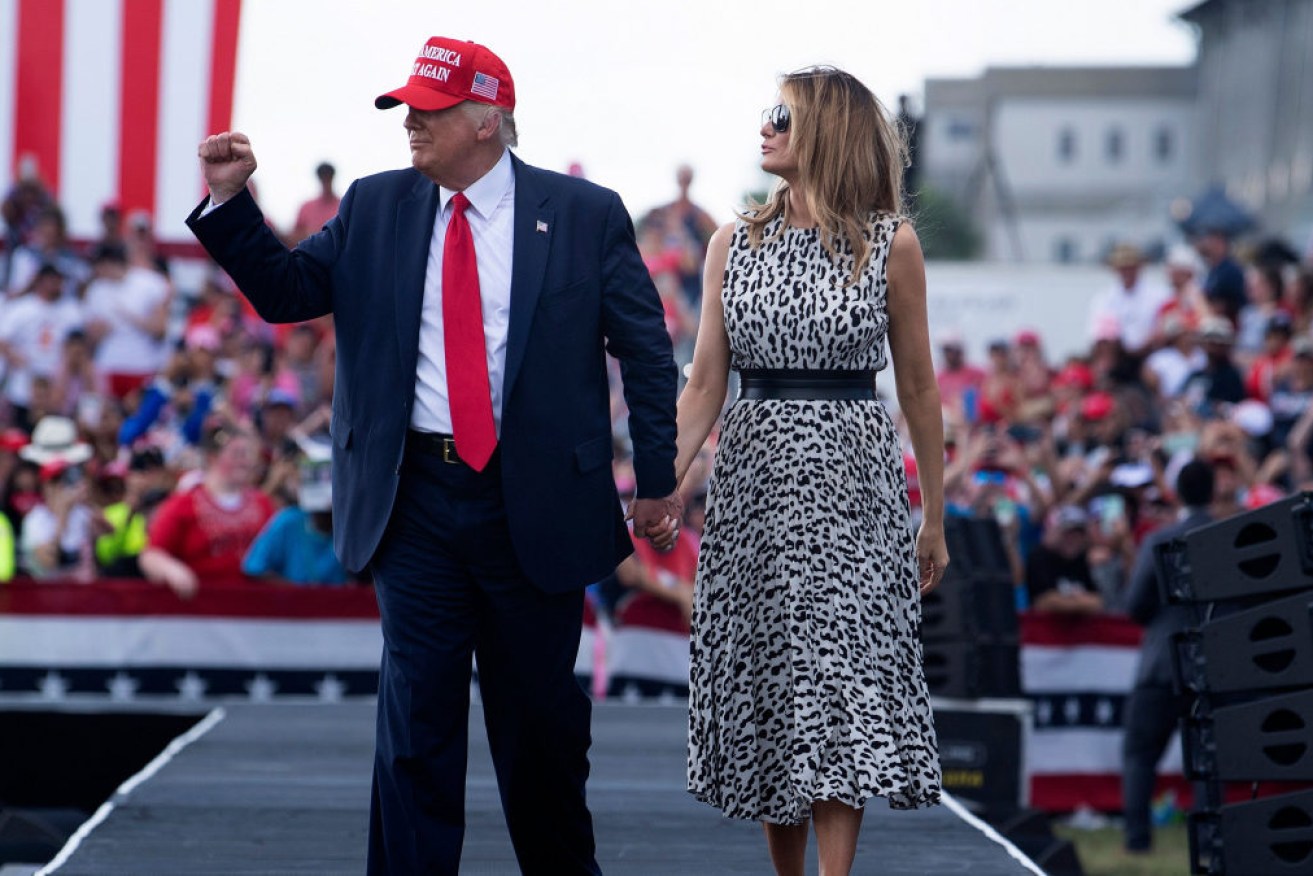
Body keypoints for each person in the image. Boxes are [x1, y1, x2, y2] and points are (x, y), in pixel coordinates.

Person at [186, 36, 679, 875]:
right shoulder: (376, 205)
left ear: (488, 121)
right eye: (406, 107)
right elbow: (287, 294)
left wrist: (657, 480)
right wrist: (233, 202)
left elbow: (645, 349)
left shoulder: (585, 213)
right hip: (414, 502)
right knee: (415, 729)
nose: (410, 121)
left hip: (539, 507)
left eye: (431, 108)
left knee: (543, 740)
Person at [674, 67, 946, 875]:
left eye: (781, 117)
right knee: (767, 680)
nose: (765, 129)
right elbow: (701, 385)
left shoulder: (891, 240)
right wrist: (663, 480)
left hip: (852, 482)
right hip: (753, 477)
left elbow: (921, 385)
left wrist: (932, 514)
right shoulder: (732, 242)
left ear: (824, 132)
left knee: (839, 681)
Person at [1121, 459, 1214, 854]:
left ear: (1176, 492)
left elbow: (1135, 604)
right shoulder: (1224, 536)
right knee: (1209, 760)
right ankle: (1214, 840)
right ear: (1212, 491)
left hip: (1160, 663)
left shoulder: (1159, 540)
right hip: (1213, 664)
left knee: (1140, 756)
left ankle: (1138, 841)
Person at [138, 423, 274, 598]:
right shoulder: (183, 504)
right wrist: (172, 570)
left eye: (248, 455)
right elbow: (152, 555)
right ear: (212, 457)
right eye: (237, 454)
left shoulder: (263, 503)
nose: (244, 461)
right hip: (202, 610)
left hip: (254, 609)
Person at [289, 161, 341, 244]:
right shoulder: (306, 207)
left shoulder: (343, 206)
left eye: (328, 177)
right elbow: (294, 237)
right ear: (319, 178)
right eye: (323, 177)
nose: (326, 181)